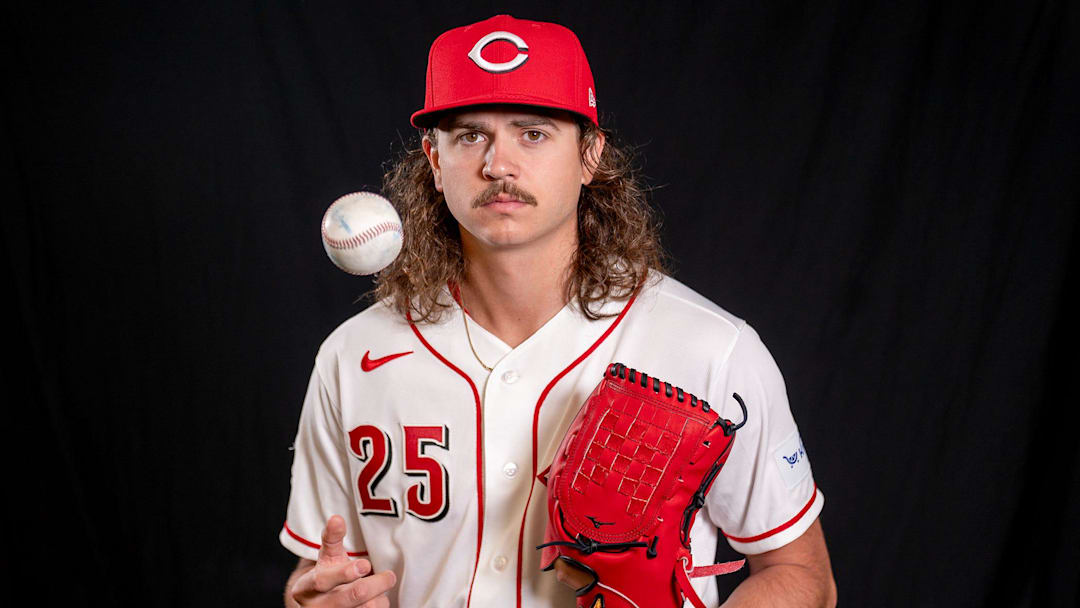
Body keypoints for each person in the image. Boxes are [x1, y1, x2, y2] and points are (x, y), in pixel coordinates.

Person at [280, 14, 836, 608]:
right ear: (434, 161)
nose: (498, 164)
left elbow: (804, 577)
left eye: (534, 132)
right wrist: (312, 598)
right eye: (469, 136)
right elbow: (313, 577)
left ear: (590, 154)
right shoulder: (353, 355)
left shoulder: (709, 349)